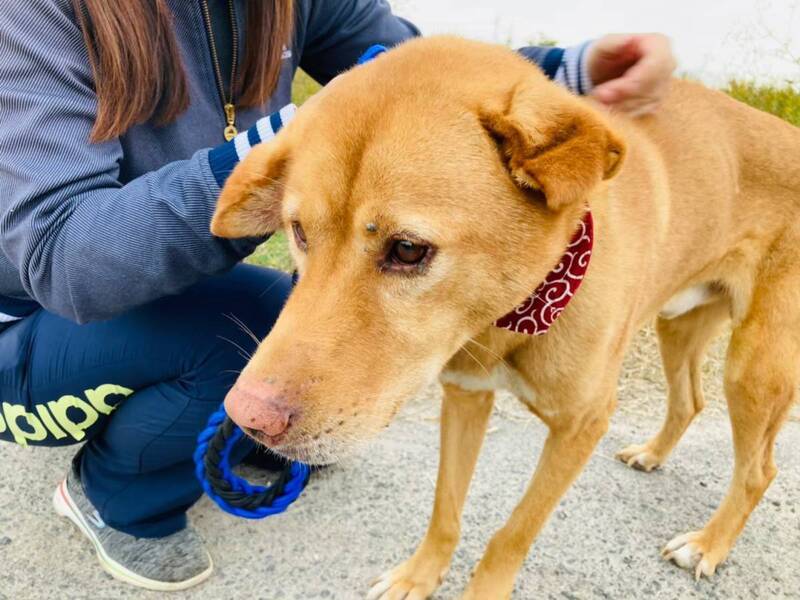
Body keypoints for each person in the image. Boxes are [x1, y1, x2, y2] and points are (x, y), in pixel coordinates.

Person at [0, 0, 676, 591]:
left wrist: (573, 67)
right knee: (236, 341)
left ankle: (172, 421)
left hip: (168, 287)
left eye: (407, 252)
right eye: (297, 229)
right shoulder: (32, 14)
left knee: (273, 321)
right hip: (29, 315)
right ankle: (113, 496)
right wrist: (291, 145)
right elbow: (62, 258)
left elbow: (414, 72)